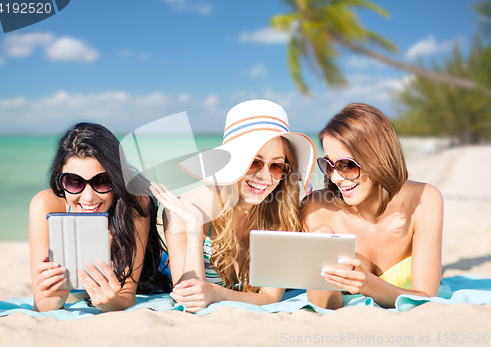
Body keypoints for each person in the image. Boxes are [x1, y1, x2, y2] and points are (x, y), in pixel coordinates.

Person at [150, 99, 316, 312]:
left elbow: (270, 297)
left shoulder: (281, 214)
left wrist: (216, 293)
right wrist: (193, 226)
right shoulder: (188, 208)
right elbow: (188, 299)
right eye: (255, 162)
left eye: (276, 166)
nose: (265, 177)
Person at [301, 103, 443, 309]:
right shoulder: (316, 210)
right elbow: (324, 308)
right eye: (329, 166)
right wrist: (319, 255)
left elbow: (427, 297)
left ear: (378, 158)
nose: (336, 178)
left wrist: (367, 283)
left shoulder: (425, 200)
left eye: (346, 165)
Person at [29, 122, 172, 312]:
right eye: (74, 182)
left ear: (117, 178)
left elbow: (127, 294)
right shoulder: (45, 205)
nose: (88, 197)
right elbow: (42, 304)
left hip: (150, 275)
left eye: (102, 181)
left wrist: (111, 304)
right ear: (60, 178)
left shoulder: (135, 203)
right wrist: (54, 297)